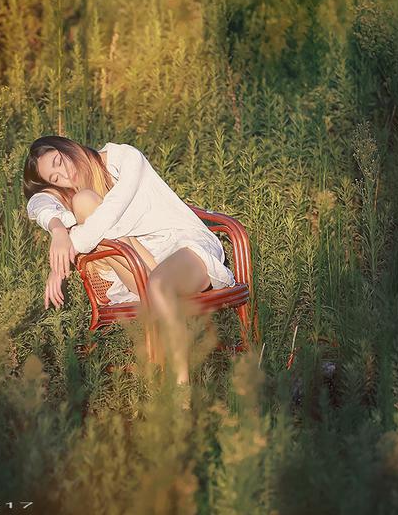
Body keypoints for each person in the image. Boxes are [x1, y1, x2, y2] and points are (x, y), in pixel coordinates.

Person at [21, 135, 236, 385]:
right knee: (83, 201)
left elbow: (111, 212)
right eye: (56, 178)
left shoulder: (125, 157)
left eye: (60, 161)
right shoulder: (77, 192)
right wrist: (57, 228)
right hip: (138, 263)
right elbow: (37, 202)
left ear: (69, 146)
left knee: (158, 284)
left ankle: (179, 392)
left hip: (184, 246)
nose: (66, 175)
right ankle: (166, 380)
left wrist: (63, 258)